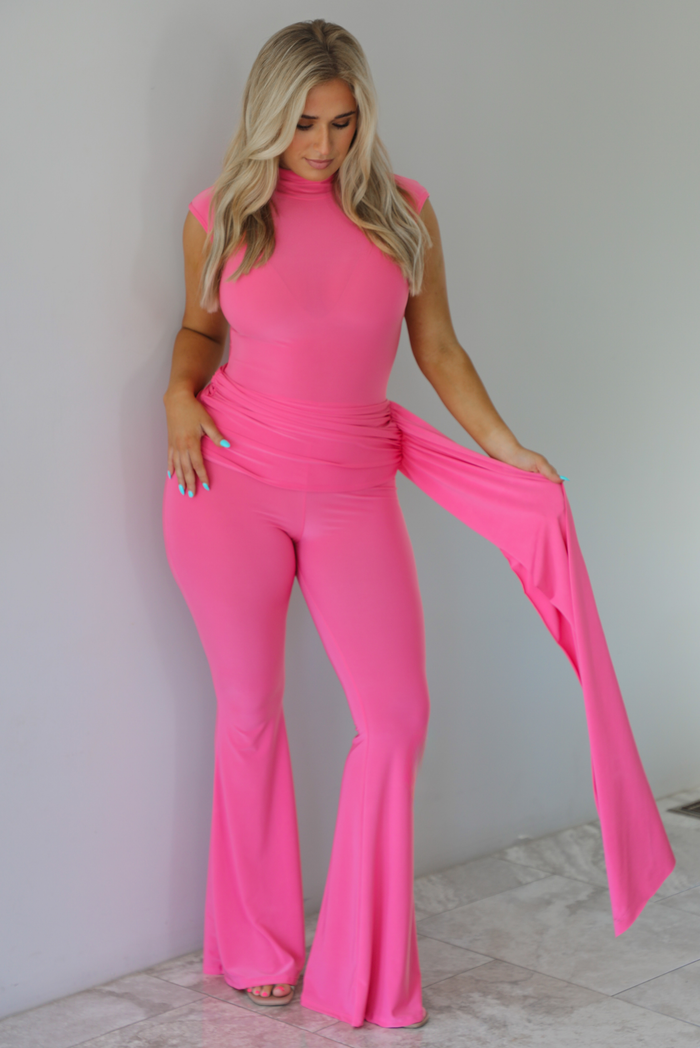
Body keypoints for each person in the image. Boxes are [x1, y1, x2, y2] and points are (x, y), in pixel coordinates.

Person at [162, 17, 674, 1031]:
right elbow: (198, 329)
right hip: (229, 485)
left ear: (364, 117)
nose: (322, 145)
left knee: (394, 720)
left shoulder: (404, 214)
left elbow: (437, 348)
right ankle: (261, 943)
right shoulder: (223, 213)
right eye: (303, 123)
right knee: (248, 712)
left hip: (354, 486)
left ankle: (359, 959)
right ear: (268, 117)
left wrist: (507, 447)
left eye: (341, 122)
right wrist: (177, 398)